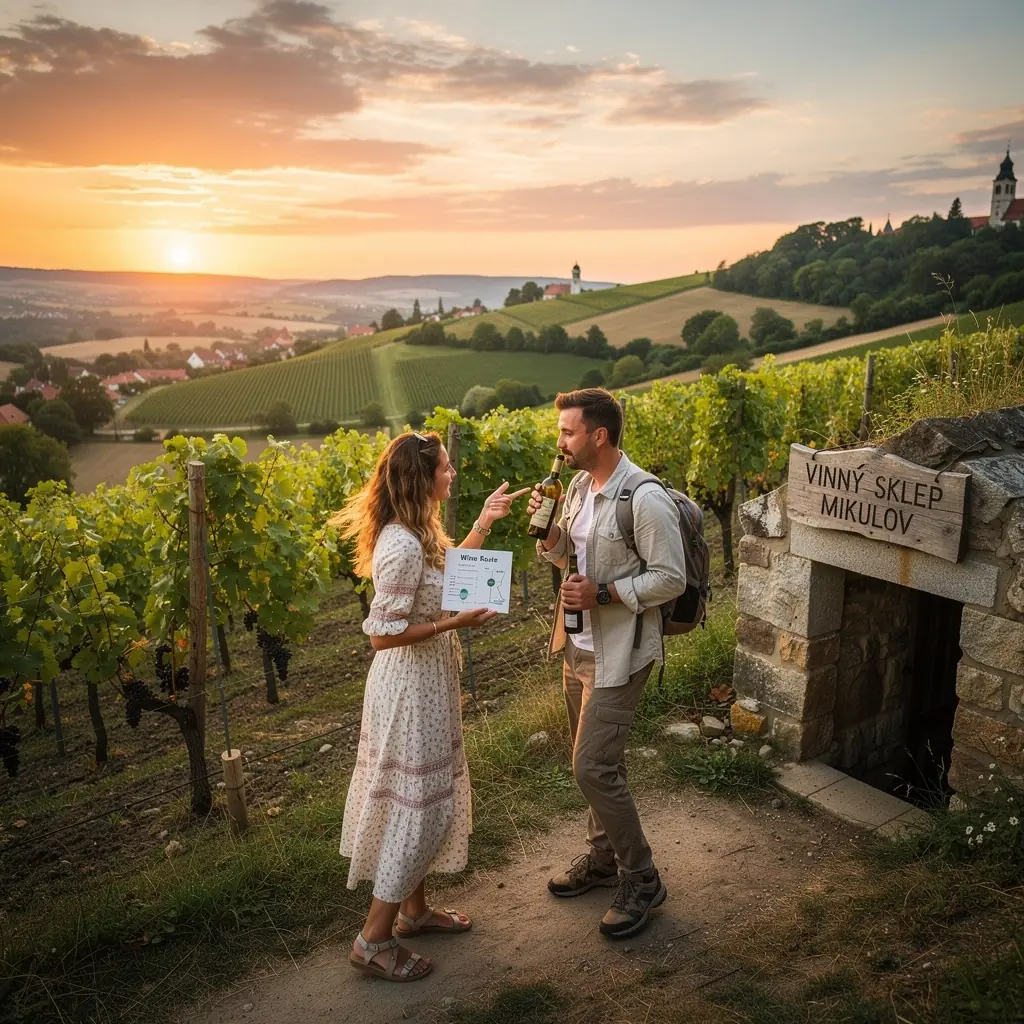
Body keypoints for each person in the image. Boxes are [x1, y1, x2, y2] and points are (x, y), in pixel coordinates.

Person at [331, 430, 528, 982]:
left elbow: (449, 574)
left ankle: (413, 914)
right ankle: (373, 940)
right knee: (417, 810)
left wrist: (485, 521)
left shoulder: (421, 529)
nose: (452, 474)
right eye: (444, 467)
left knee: (417, 800)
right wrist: (453, 624)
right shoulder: (399, 545)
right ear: (422, 476)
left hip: (428, 681)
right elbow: (381, 634)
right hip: (409, 690)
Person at [527, 388, 687, 939]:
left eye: (567, 432)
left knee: (591, 767)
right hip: (577, 646)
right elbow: (567, 556)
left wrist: (601, 594)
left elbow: (671, 578)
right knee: (599, 766)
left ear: (598, 435)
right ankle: (601, 860)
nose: (560, 442)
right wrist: (549, 539)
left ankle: (642, 877)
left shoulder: (643, 497)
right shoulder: (575, 486)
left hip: (621, 653)